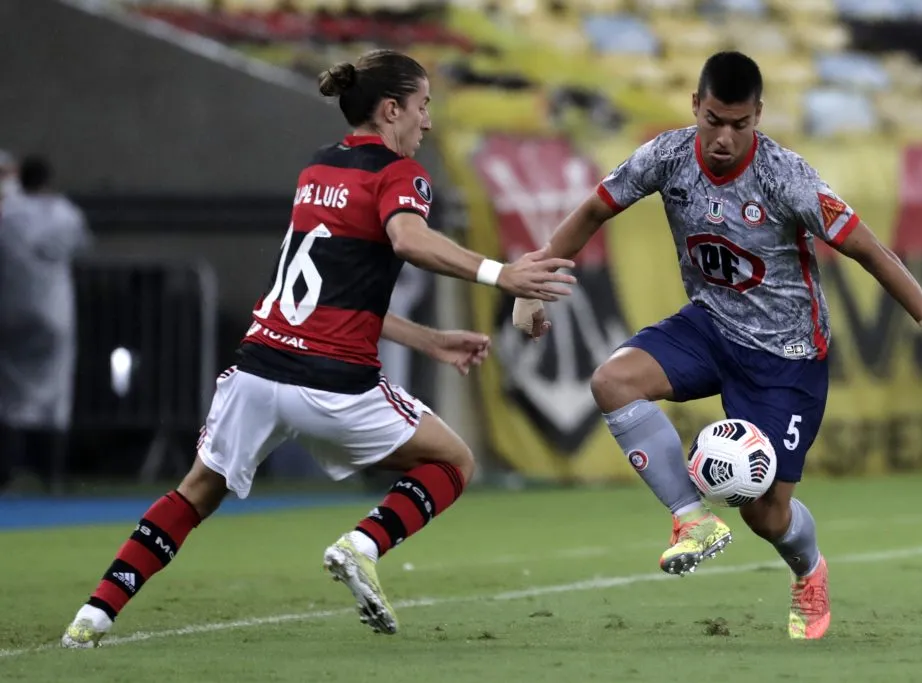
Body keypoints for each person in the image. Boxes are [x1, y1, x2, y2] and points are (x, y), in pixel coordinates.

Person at [61, 49, 577, 648]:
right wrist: (501, 274)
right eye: (422, 106)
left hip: (258, 369)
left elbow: (329, 291)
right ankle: (360, 545)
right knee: (453, 462)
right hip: (333, 384)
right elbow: (408, 239)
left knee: (194, 493)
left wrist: (429, 339)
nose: (427, 121)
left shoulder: (318, 169)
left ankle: (92, 617)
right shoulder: (400, 173)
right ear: (391, 110)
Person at [513, 51, 922, 640]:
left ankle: (808, 570)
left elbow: (869, 250)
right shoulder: (666, 156)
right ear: (695, 106)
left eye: (739, 125)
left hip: (787, 356)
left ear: (758, 116)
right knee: (613, 382)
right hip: (710, 326)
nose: (723, 138)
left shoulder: (786, 176)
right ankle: (692, 520)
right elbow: (592, 209)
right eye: (714, 120)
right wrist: (533, 288)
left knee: (766, 514)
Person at [0, 155, 91, 494]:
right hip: (53, 314)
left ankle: (8, 471)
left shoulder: (7, 213)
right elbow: (82, 244)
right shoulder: (64, 213)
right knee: (55, 392)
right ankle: (52, 473)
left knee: (9, 394)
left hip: (9, 311)